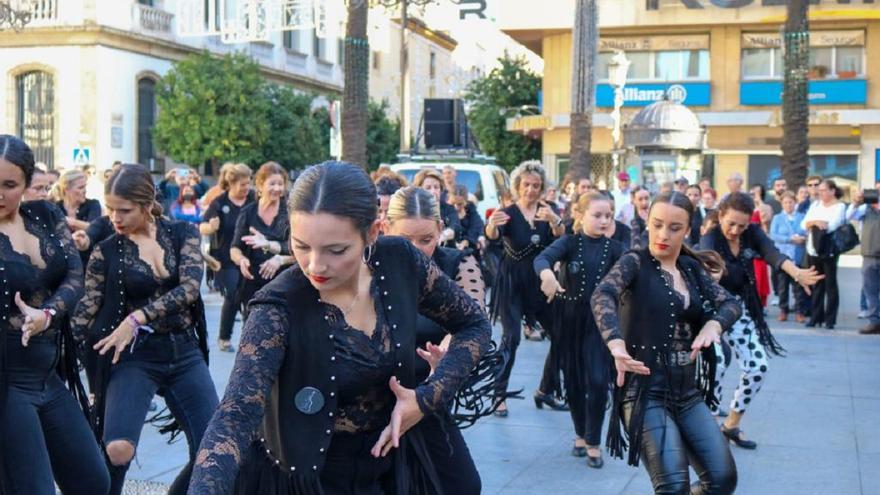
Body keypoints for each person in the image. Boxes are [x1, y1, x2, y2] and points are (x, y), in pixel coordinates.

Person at [188, 161, 491, 494]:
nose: (315, 265)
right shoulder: (276, 308)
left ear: (373, 232)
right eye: (301, 246)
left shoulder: (400, 259)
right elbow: (235, 413)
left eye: (336, 250)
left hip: (391, 459)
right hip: (307, 478)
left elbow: (474, 324)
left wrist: (426, 398)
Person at [70, 163, 218, 495]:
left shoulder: (183, 234)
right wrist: (57, 339)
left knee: (214, 449)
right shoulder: (106, 251)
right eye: (109, 209)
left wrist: (136, 318)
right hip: (134, 357)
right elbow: (86, 311)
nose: (114, 218)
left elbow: (190, 289)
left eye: (124, 210)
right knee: (118, 449)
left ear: (147, 203)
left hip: (184, 351)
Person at [591, 191, 741, 493]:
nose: (663, 234)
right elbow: (602, 294)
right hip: (644, 391)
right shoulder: (634, 262)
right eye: (657, 224)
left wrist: (714, 324)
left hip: (687, 390)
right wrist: (615, 343)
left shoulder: (690, 269)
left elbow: (731, 304)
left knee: (722, 479)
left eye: (674, 228)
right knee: (673, 487)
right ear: (647, 222)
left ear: (688, 230)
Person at [0, 135, 110, 495]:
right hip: (8, 383)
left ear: (27, 183)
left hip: (49, 375)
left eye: (9, 185)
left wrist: (47, 314)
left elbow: (74, 274)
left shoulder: (45, 215)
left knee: (93, 480)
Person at [383, 186, 485, 493]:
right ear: (384, 228)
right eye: (404, 241)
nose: (415, 251)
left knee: (462, 485)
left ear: (440, 230)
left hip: (428, 392)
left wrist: (450, 352)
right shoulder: (369, 264)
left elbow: (473, 321)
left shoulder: (458, 263)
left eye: (425, 240)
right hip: (372, 395)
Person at [700, 192, 821, 448]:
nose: (735, 230)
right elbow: (704, 267)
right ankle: (706, 431)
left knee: (757, 366)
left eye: (741, 225)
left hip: (740, 307)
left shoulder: (752, 233)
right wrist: (714, 274)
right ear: (720, 215)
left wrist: (796, 272)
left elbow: (772, 254)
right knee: (716, 364)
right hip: (711, 308)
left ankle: (731, 425)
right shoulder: (711, 236)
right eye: (731, 223)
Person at [535, 192, 624, 469]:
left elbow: (636, 269)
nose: (603, 220)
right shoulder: (569, 242)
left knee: (598, 381)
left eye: (608, 215)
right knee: (573, 381)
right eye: (597, 215)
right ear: (580, 214)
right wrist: (547, 274)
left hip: (600, 323)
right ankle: (580, 434)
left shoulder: (616, 248)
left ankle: (594, 441)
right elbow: (542, 259)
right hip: (568, 321)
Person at [485, 160, 565, 417]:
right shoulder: (508, 211)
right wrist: (492, 225)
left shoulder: (547, 210)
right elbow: (493, 236)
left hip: (541, 284)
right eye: (527, 185)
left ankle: (546, 390)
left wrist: (555, 220)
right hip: (512, 284)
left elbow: (562, 237)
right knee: (512, 339)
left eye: (536, 185)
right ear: (518, 186)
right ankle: (499, 395)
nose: (531, 189)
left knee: (561, 335)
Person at [230, 162, 295, 325]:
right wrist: (241, 260)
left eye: (280, 184)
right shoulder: (248, 212)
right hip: (252, 284)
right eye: (272, 183)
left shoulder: (289, 213)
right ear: (260, 185)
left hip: (283, 283)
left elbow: (301, 250)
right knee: (253, 329)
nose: (277, 188)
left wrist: (279, 258)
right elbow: (235, 248)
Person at [202, 163, 255, 352]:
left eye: (248, 184)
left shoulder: (253, 199)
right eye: (242, 184)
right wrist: (211, 227)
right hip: (224, 258)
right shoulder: (220, 203)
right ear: (231, 184)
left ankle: (250, 339)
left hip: (250, 255)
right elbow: (203, 226)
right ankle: (224, 337)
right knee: (233, 294)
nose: (246, 188)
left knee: (251, 297)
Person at [801, 179, 847, 329]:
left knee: (830, 285)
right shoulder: (815, 205)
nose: (819, 193)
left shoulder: (839, 206)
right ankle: (816, 317)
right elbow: (804, 224)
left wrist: (814, 222)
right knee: (816, 284)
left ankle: (830, 320)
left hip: (829, 251)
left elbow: (832, 224)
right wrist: (815, 222)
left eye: (823, 190)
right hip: (813, 249)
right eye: (819, 190)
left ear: (832, 191)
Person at [770, 192, 807, 322]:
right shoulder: (777, 218)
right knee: (782, 286)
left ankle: (799, 311)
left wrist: (802, 238)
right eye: (785, 202)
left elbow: (806, 232)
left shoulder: (802, 217)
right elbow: (773, 235)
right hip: (782, 256)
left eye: (790, 202)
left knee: (798, 286)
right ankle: (783, 310)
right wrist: (789, 239)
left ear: (795, 203)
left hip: (798, 256)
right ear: (782, 204)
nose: (788, 205)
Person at [848, 183, 880, 335]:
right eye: (877, 190)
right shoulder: (864, 208)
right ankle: (874, 322)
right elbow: (848, 216)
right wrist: (856, 201)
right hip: (869, 256)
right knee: (871, 290)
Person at [413, 168, 461, 247]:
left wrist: (443, 235)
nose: (433, 192)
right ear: (419, 190)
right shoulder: (413, 210)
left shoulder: (449, 208)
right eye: (428, 188)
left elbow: (456, 227)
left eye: (436, 187)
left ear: (441, 189)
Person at [451, 184, 485, 251]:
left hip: (469, 249)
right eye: (453, 203)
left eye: (459, 204)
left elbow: (477, 225)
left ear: (465, 200)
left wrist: (467, 241)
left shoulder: (470, 209)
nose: (456, 207)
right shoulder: (447, 210)